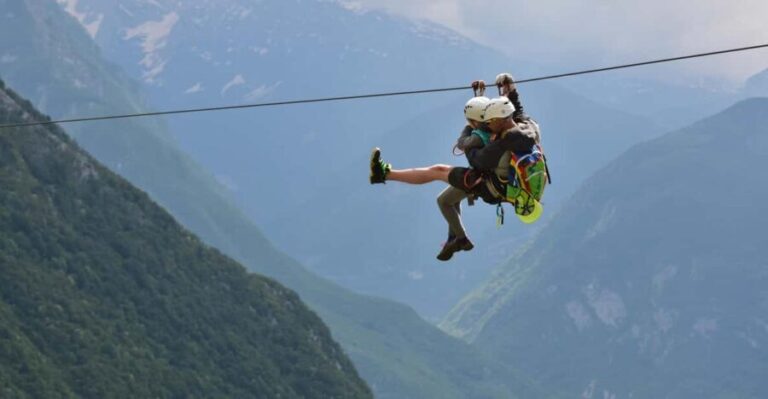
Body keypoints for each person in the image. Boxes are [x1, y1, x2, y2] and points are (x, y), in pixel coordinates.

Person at [370, 74, 547, 260]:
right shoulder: (528, 129)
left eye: (489, 121)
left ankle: (384, 174)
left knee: (438, 171)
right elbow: (517, 112)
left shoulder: (499, 144)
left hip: (489, 187)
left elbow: (475, 160)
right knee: (446, 199)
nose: (487, 123)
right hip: (500, 184)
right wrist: (509, 91)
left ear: (499, 121)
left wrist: (471, 129)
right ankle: (456, 238)